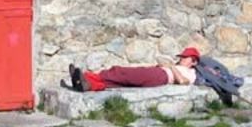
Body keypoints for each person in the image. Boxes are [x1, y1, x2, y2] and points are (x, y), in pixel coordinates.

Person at [65, 47, 201, 92]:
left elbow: (183, 82)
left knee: (121, 72)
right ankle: (87, 84)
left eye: (185, 57)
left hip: (161, 76)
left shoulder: (190, 73)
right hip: (158, 73)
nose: (182, 59)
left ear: (194, 61)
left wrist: (171, 66)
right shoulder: (181, 67)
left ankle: (86, 76)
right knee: (120, 81)